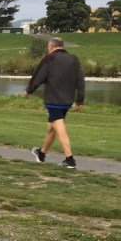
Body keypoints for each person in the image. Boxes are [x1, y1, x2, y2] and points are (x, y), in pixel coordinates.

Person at [23, 37, 86, 168]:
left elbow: (39, 76)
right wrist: (80, 100)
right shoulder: (73, 59)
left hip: (53, 100)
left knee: (60, 127)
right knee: (52, 127)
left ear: (51, 47)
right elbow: (80, 80)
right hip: (67, 100)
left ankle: (70, 159)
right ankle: (41, 153)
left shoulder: (49, 58)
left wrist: (29, 90)